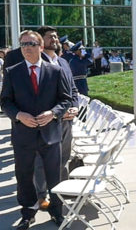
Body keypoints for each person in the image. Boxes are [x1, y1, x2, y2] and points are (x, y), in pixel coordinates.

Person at [0, 30, 72, 230]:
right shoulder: (12, 72)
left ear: (41, 47)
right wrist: (18, 115)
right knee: (24, 176)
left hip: (51, 134)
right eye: (23, 44)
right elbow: (5, 101)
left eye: (31, 44)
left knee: (54, 176)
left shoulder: (55, 71)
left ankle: (57, 211)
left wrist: (53, 113)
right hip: (23, 135)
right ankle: (28, 213)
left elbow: (66, 99)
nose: (26, 48)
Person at [37, 25, 79, 183]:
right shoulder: (37, 63)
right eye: (50, 36)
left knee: (64, 157)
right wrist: (58, 111)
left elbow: (72, 89)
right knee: (42, 161)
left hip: (67, 120)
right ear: (41, 41)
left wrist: (75, 106)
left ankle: (60, 189)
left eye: (55, 36)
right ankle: (41, 195)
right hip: (49, 121)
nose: (54, 39)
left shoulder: (63, 62)